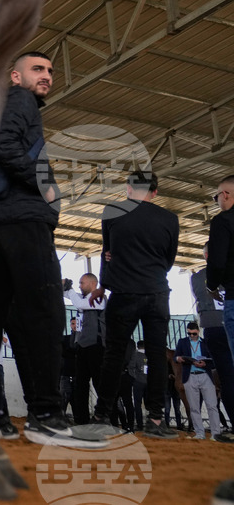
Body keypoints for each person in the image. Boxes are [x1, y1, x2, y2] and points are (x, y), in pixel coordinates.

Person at [0, 52, 100, 447]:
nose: (47, 75)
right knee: (46, 314)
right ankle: (46, 417)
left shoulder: (0, 104)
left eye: (50, 70)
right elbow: (3, 145)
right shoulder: (19, 99)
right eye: (37, 69)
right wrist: (45, 189)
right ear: (16, 76)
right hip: (23, 220)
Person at [91, 171, 179, 439]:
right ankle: (155, 420)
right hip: (156, 293)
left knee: (114, 356)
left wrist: (104, 283)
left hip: (123, 292)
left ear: (128, 189)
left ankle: (101, 416)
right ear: (155, 192)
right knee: (157, 356)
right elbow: (169, 261)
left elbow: (107, 252)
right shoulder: (170, 219)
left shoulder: (112, 212)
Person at [195, 244, 234, 427]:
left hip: (214, 328)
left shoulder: (197, 278)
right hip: (226, 325)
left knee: (227, 378)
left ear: (205, 256)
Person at [64, 274, 106, 424]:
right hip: (83, 346)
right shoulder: (82, 298)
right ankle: (82, 421)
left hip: (96, 346)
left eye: (82, 283)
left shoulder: (99, 298)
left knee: (99, 383)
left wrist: (69, 289)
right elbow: (73, 298)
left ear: (92, 283)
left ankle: (107, 417)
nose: (80, 286)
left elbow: (79, 304)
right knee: (80, 385)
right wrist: (59, 285)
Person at [175, 321, 225, 440]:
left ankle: (215, 433)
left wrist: (205, 364)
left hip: (205, 375)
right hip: (190, 376)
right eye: (189, 333)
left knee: (212, 406)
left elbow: (214, 360)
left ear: (198, 331)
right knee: (194, 407)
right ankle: (199, 433)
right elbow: (175, 357)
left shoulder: (205, 342)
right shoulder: (182, 342)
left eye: (194, 333)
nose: (192, 336)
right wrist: (179, 358)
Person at [207, 175, 234, 362]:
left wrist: (212, 286)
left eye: (215, 197)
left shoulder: (223, 221)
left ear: (225, 195)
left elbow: (217, 261)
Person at [128, 339, 148, 430]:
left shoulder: (135, 355)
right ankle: (151, 423)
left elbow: (131, 368)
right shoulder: (149, 355)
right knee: (150, 404)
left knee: (137, 404)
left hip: (138, 382)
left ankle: (140, 425)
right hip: (149, 382)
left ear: (137, 346)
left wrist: (135, 378)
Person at [60, 317, 79, 417]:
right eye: (72, 324)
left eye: (76, 323)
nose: (74, 326)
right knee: (64, 398)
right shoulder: (66, 339)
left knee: (76, 400)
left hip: (77, 374)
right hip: (66, 373)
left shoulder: (83, 340)